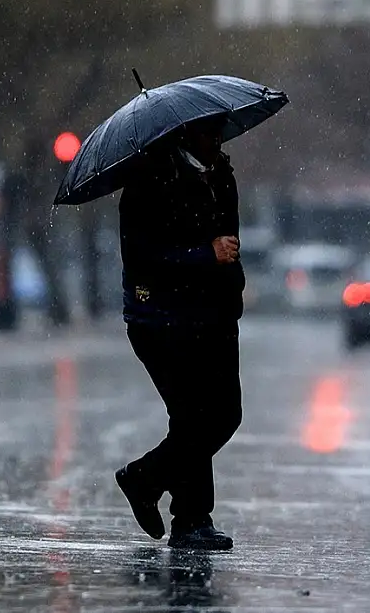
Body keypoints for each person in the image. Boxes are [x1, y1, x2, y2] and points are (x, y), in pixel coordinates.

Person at [114, 113, 244, 551]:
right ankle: (191, 519)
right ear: (187, 132)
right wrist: (203, 255)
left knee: (224, 416)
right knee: (193, 417)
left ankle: (144, 480)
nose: (218, 139)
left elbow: (230, 241)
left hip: (216, 316)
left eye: (221, 130)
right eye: (211, 131)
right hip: (162, 320)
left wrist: (230, 287)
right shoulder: (148, 180)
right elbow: (143, 256)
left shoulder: (221, 174)